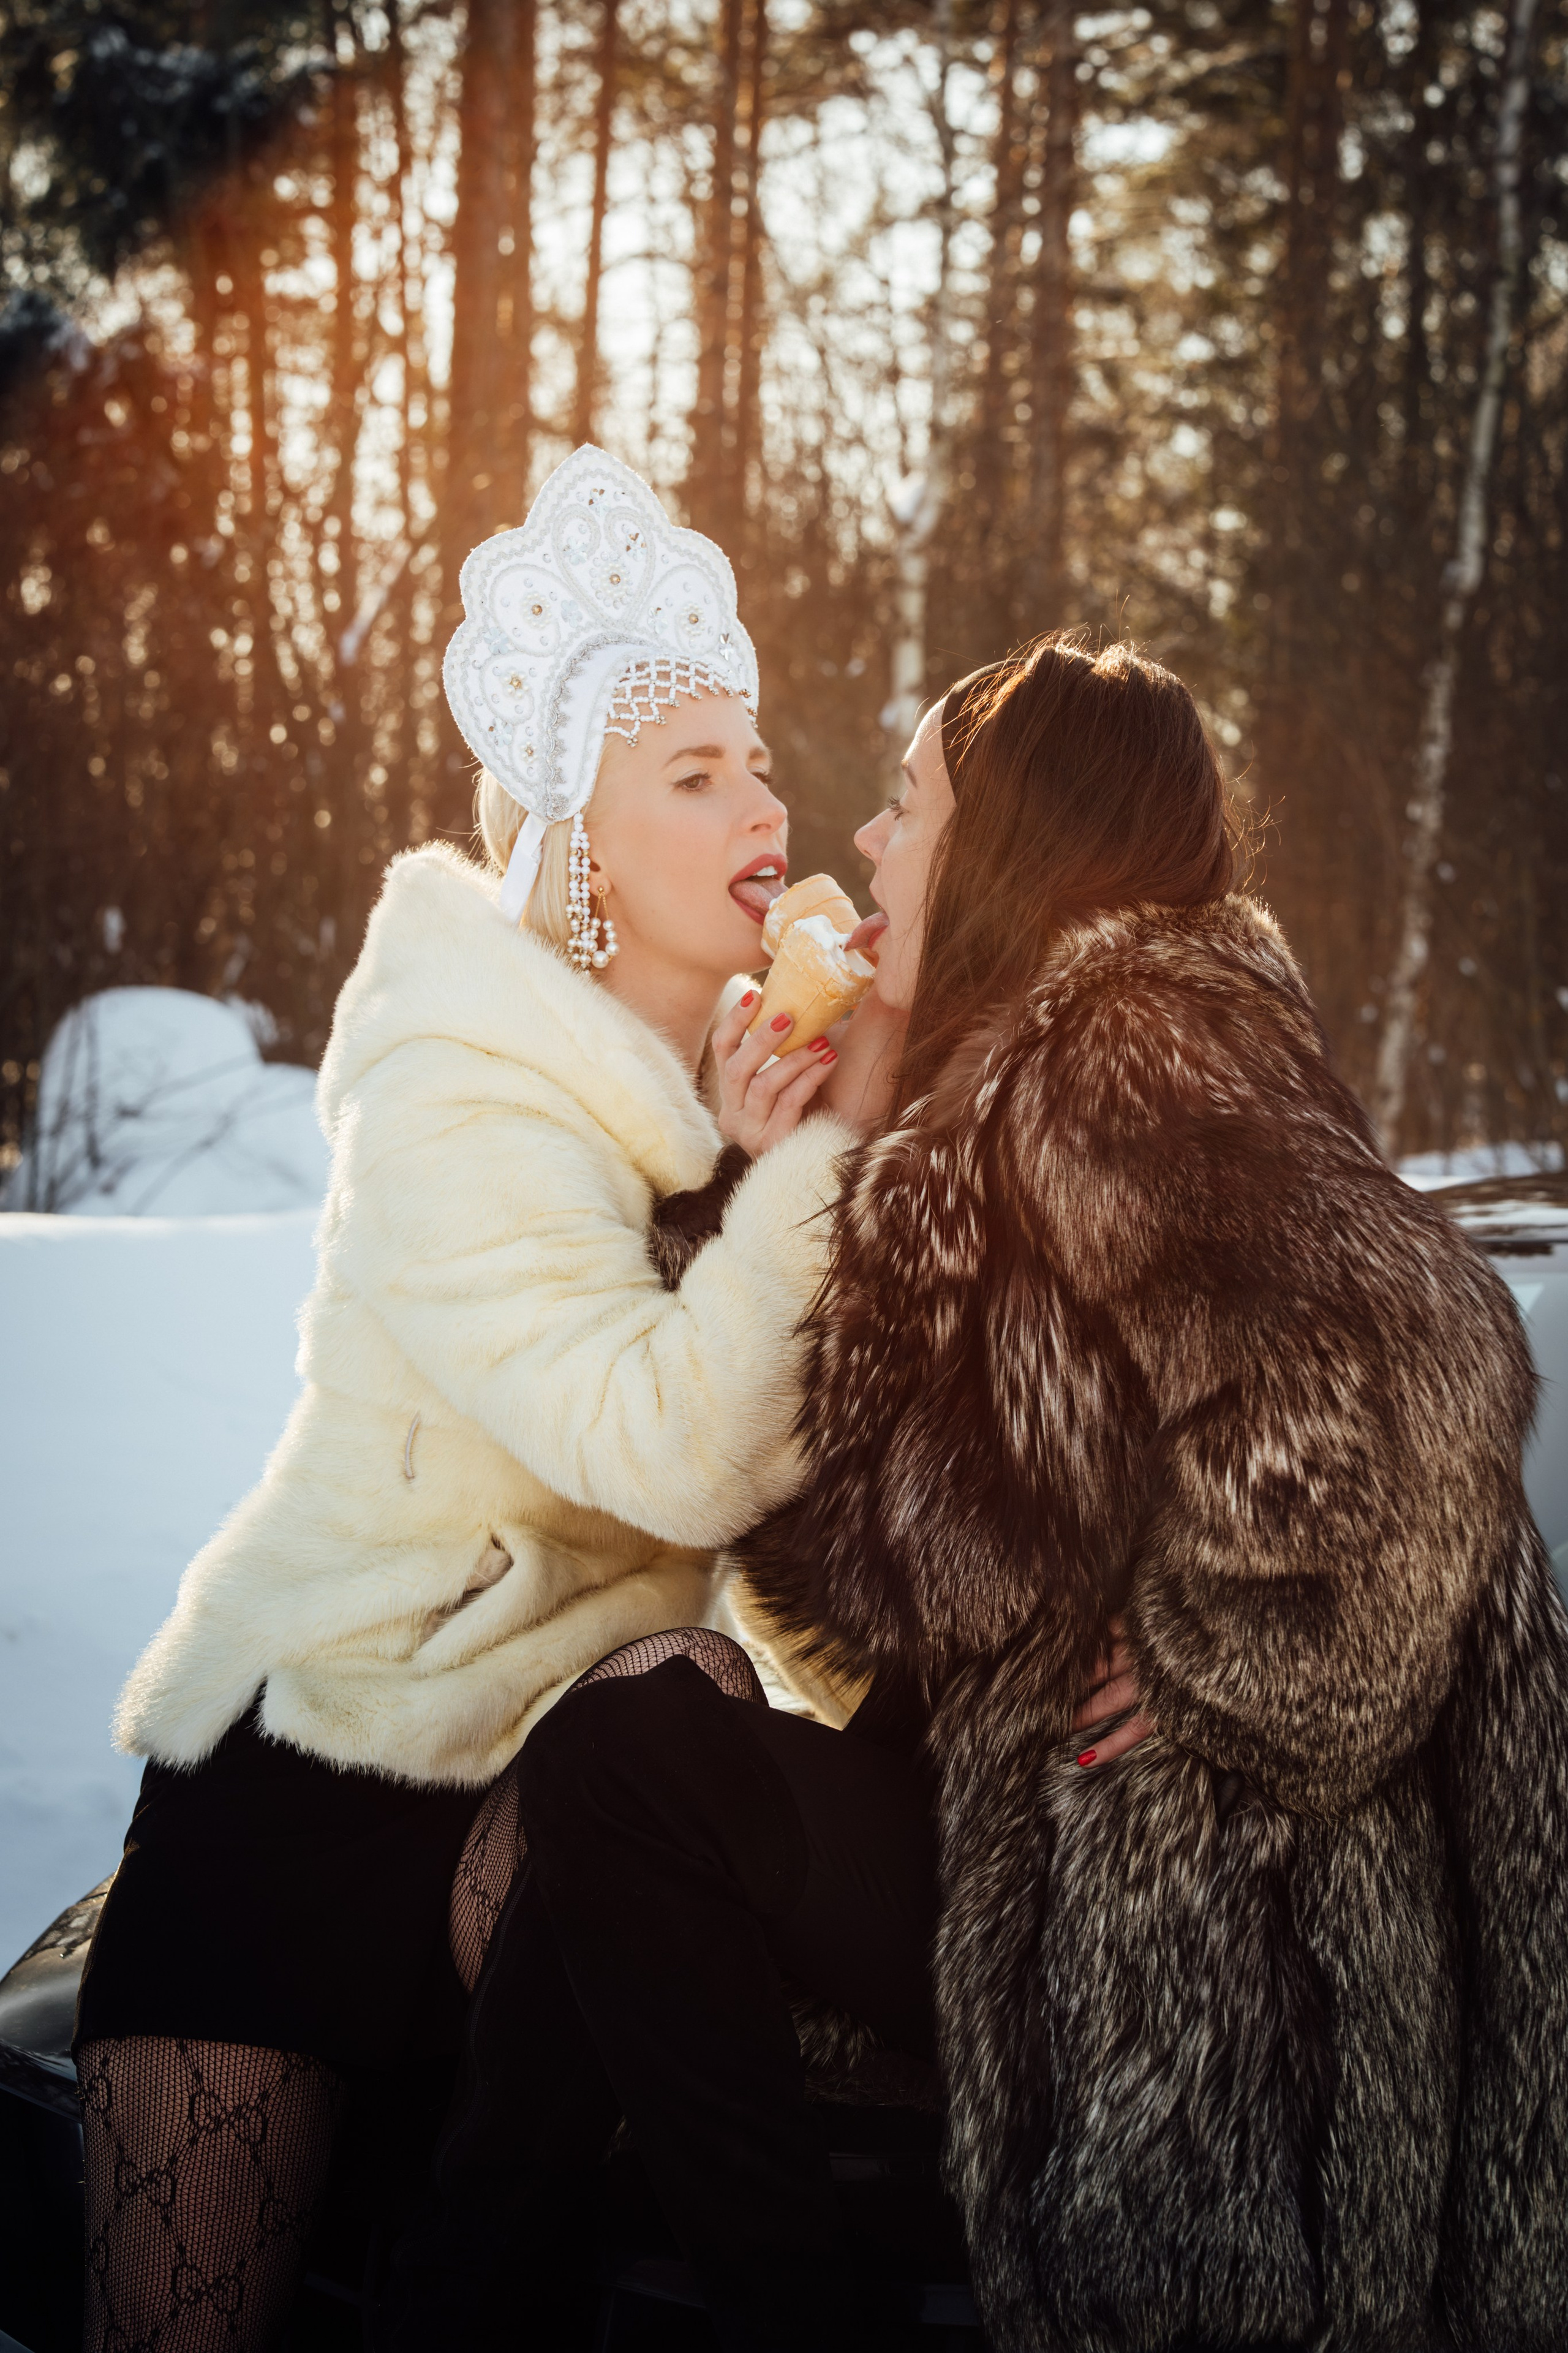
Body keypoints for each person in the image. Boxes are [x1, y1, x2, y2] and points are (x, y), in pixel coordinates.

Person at [419, 629, 1568, 2353]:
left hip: (1183, 1920)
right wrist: (778, 1170)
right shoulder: (1011, 1077)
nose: (869, 848)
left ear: (1014, 845)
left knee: (634, 1770)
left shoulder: (1138, 1052)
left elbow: (1439, 1356)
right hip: (1016, 1836)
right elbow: (853, 1547)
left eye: (906, 808)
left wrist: (1208, 1662)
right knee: (639, 1770)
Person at [71, 444, 854, 2353]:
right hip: (309, 1795)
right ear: (581, 851)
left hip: (563, 1817)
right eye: (699, 772)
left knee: (675, 1703)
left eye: (761, 758)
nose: (764, 802)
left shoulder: (746, 1094)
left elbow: (811, 1528)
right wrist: (810, 1178)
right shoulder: (458, 1091)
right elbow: (665, 1431)